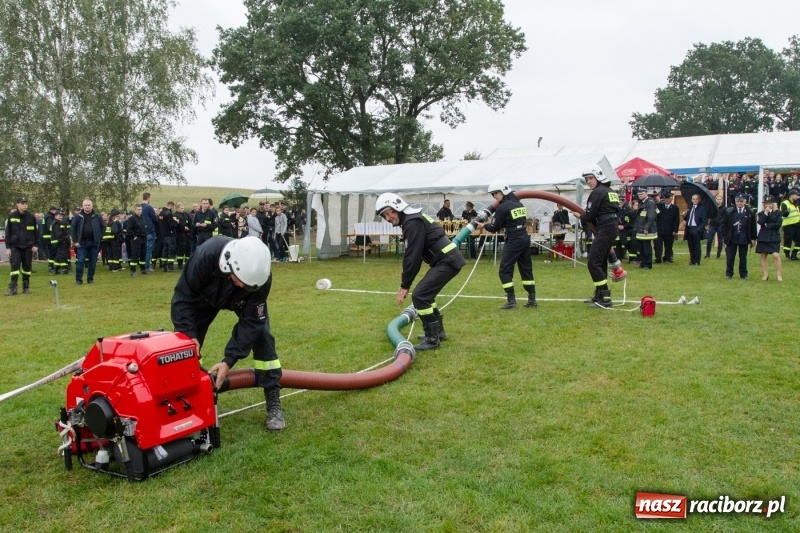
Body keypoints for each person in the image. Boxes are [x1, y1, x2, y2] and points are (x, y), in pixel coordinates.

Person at [170, 235, 285, 431]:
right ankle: (182, 402)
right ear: (228, 266)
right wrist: (189, 333)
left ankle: (273, 399)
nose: (242, 286)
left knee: (262, 336)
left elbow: (251, 322)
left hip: (241, 302)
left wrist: (229, 360)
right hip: (204, 298)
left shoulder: (259, 278)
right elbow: (183, 295)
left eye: (248, 285)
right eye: (241, 281)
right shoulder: (206, 256)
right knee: (185, 347)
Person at [376, 193, 466, 350]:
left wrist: (405, 285)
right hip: (447, 260)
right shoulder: (412, 219)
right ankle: (438, 332)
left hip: (447, 261)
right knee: (426, 295)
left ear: (395, 208)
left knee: (420, 295)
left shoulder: (412, 222)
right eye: (385, 216)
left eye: (387, 214)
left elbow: (413, 256)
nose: (388, 219)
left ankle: (432, 339)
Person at [477, 183, 537, 309]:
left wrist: (484, 226)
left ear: (503, 191)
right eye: (492, 194)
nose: (494, 196)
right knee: (526, 268)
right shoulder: (519, 204)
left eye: (495, 193)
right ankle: (532, 299)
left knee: (504, 270)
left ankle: (511, 301)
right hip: (524, 237)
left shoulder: (503, 207)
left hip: (514, 239)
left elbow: (494, 227)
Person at [573, 167, 624, 308]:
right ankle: (599, 295)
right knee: (600, 262)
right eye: (586, 179)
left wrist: (580, 216)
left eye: (591, 178)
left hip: (605, 229)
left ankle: (605, 297)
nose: (588, 182)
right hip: (610, 227)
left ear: (598, 177)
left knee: (593, 262)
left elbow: (589, 215)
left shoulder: (597, 192)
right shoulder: (610, 192)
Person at [4, 196, 39, 295]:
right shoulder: (12, 216)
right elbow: (8, 233)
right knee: (15, 266)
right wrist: (8, 248)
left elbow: (36, 233)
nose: (25, 205)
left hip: (28, 246)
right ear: (17, 204)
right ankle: (13, 288)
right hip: (15, 246)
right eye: (22, 203)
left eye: (25, 203)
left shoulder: (31, 217)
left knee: (27, 267)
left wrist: (36, 244)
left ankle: (26, 287)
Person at [719, 193, 757, 280]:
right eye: (737, 201)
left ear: (745, 201)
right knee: (730, 257)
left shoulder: (750, 212)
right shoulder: (729, 211)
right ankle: (729, 273)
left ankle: (743, 274)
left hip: (744, 237)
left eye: (741, 201)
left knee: (743, 257)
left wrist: (753, 238)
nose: (739, 203)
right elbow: (723, 224)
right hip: (732, 237)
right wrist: (725, 236)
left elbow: (753, 226)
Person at [69, 198, 104, 286]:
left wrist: (99, 237)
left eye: (89, 205)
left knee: (93, 262)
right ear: (82, 206)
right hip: (82, 243)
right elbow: (73, 228)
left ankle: (90, 279)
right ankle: (78, 280)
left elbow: (103, 227)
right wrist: (75, 241)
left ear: (92, 206)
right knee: (80, 261)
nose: (87, 206)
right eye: (85, 205)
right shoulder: (78, 217)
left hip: (94, 242)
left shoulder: (97, 216)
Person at [756, 195, 783, 281]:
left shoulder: (778, 212)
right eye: (766, 204)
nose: (768, 205)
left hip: (774, 236)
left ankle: (779, 275)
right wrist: (765, 214)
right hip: (763, 236)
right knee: (763, 255)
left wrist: (768, 224)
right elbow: (760, 222)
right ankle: (765, 274)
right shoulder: (761, 213)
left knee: (776, 255)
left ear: (773, 204)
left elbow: (778, 224)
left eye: (770, 203)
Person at [632, 188, 657, 270]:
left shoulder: (650, 202)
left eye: (642, 194)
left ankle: (648, 264)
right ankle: (643, 263)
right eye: (639, 194)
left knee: (646, 248)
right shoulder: (641, 203)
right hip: (640, 229)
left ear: (646, 193)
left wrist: (647, 228)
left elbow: (651, 216)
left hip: (646, 229)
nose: (640, 196)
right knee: (641, 248)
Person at [654, 191, 680, 263]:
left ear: (671, 199)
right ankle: (658, 258)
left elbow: (676, 220)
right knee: (657, 245)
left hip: (669, 230)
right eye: (666, 198)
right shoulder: (659, 207)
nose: (667, 200)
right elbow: (655, 218)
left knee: (668, 245)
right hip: (659, 229)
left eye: (669, 198)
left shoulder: (675, 208)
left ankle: (667, 258)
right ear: (664, 199)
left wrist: (675, 230)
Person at [683, 193, 707, 266]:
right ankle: (692, 260)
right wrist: (685, 215)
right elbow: (688, 219)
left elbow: (704, 221)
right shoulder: (690, 208)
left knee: (696, 246)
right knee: (690, 246)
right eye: (694, 199)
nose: (695, 200)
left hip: (696, 228)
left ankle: (697, 261)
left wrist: (698, 229)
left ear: (699, 200)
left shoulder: (702, 208)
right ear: (691, 200)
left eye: (696, 199)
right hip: (689, 228)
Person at [124, 204, 148, 277]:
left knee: (143, 254)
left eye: (140, 209)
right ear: (135, 210)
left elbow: (145, 227)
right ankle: (133, 270)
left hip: (144, 238)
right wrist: (134, 236)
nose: (139, 211)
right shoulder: (132, 219)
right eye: (138, 209)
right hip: (136, 239)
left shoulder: (142, 218)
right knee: (135, 255)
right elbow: (129, 230)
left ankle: (143, 269)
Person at [780, 189, 800, 260]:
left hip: (797, 225)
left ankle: (794, 254)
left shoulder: (796, 203)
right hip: (788, 225)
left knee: (799, 240)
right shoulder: (785, 203)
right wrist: (787, 211)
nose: (797, 196)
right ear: (791, 195)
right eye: (796, 195)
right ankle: (787, 255)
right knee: (788, 241)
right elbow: (783, 214)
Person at [141, 192, 159, 272]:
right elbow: (155, 219)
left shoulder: (139, 207)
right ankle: (147, 266)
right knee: (148, 249)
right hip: (150, 231)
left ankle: (142, 265)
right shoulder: (149, 207)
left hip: (141, 231)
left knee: (143, 249)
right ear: (148, 198)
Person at [51, 209, 72, 274]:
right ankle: (64, 270)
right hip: (60, 242)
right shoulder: (56, 223)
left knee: (58, 256)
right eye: (59, 215)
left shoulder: (59, 222)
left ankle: (56, 269)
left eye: (62, 215)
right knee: (63, 255)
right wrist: (65, 239)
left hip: (58, 242)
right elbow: (59, 234)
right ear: (56, 216)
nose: (61, 217)